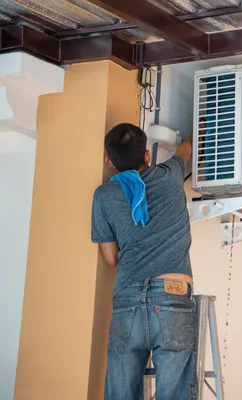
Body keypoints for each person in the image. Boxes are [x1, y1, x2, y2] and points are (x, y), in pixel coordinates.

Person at [91, 123, 196, 400]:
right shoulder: (171, 174)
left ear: (109, 161)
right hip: (172, 295)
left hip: (128, 300)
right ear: (147, 156)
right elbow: (185, 150)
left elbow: (111, 258)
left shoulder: (103, 195)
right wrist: (200, 126)